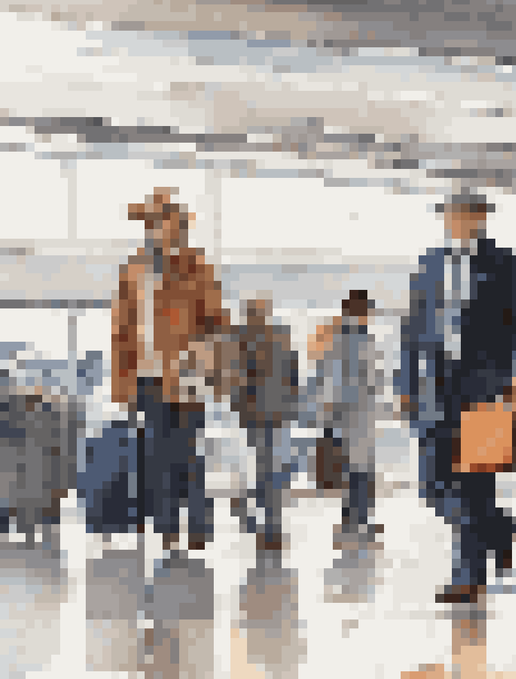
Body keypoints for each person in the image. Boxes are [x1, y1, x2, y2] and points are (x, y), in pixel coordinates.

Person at [399, 192, 516, 604]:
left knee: (474, 485)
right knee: (432, 484)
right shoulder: (429, 263)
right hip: (433, 387)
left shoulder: (507, 264)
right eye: (452, 216)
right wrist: (404, 384)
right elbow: (412, 329)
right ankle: (499, 528)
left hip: (484, 388)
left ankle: (468, 578)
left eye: (466, 216)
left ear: (481, 219)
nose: (458, 223)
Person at [111, 189, 231, 555]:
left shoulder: (196, 267)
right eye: (150, 223)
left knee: (188, 455)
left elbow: (217, 324)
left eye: (162, 222)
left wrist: (214, 370)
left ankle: (196, 526)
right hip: (146, 378)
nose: (156, 229)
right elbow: (121, 330)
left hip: (185, 377)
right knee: (157, 455)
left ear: (177, 227)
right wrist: (122, 385)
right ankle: (166, 527)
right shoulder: (133, 270)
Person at [310, 289, 388, 544]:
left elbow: (330, 381)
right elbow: (336, 380)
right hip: (351, 417)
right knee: (359, 472)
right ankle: (355, 524)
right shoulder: (350, 339)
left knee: (356, 472)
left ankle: (354, 524)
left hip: (353, 417)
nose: (368, 314)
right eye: (365, 310)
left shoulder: (349, 338)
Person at [230, 296, 301, 554]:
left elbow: (292, 373)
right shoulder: (248, 342)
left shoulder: (247, 341)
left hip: (270, 413)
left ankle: (257, 515)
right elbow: (238, 382)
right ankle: (269, 528)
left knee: (271, 469)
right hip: (264, 414)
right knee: (271, 469)